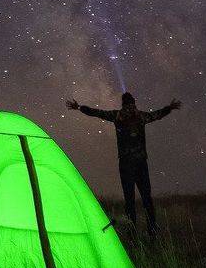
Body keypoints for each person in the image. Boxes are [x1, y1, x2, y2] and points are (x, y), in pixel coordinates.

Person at [66, 90, 181, 235]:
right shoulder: (141, 116)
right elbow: (157, 115)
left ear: (123, 103)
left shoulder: (117, 115)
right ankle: (152, 230)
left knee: (129, 199)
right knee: (147, 197)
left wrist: (79, 107)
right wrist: (169, 108)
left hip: (126, 162)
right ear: (133, 102)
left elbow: (97, 113)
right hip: (140, 162)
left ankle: (132, 232)